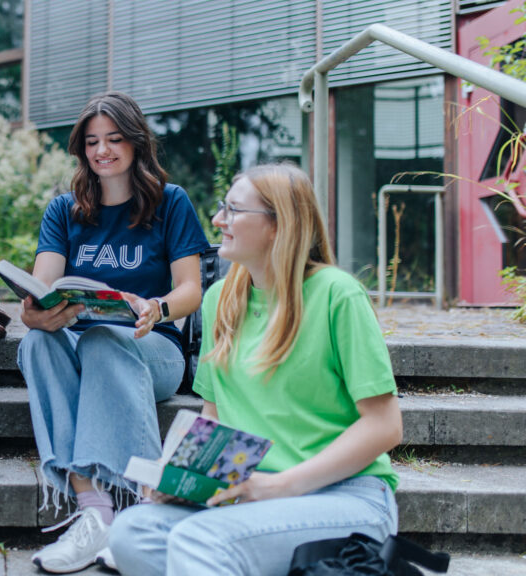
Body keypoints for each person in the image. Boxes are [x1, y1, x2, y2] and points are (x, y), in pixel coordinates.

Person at [108, 163, 403, 576]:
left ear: (277, 226)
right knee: (131, 533)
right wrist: (184, 481)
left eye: (233, 210)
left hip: (347, 496)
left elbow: (385, 427)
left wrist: (278, 486)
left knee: (202, 541)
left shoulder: (338, 294)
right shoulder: (219, 301)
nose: (217, 220)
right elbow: (215, 419)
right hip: (249, 492)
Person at [17, 91, 209, 573]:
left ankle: (138, 507)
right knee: (38, 342)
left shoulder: (171, 202)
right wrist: (35, 312)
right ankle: (94, 511)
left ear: (136, 142)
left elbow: (192, 290)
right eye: (92, 142)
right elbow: (44, 285)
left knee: (105, 339)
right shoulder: (65, 209)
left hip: (152, 346)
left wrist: (157, 307)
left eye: (114, 139)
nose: (102, 151)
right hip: (83, 341)